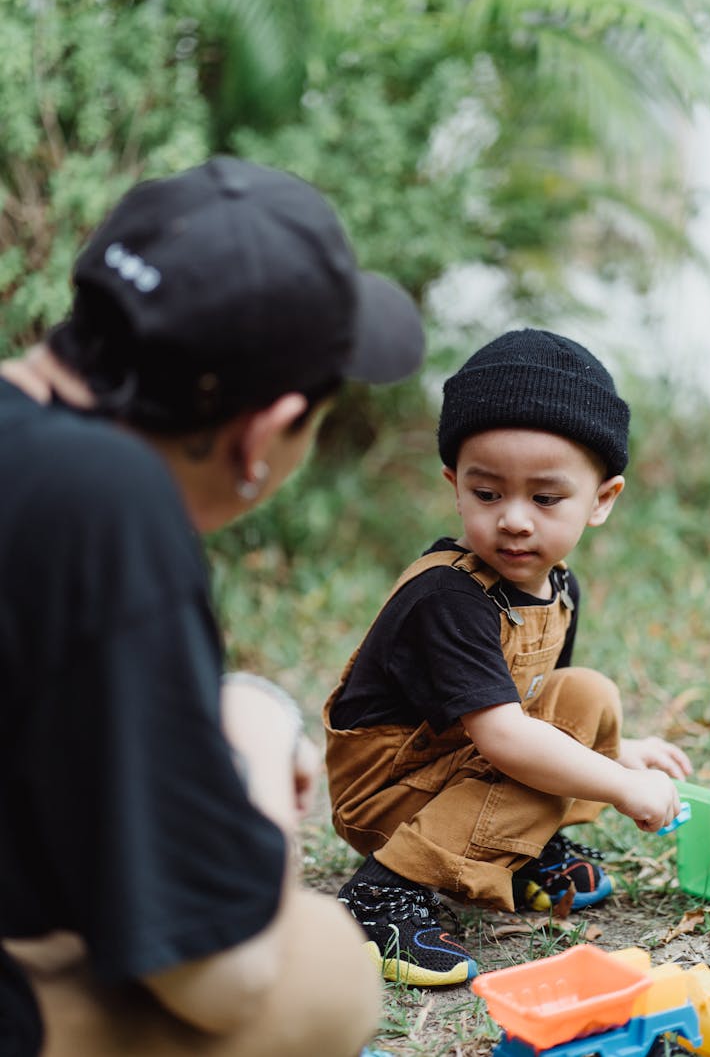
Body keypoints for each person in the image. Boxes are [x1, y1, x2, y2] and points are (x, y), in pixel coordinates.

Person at [0, 155, 424, 1056]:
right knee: (322, 970)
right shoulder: (106, 504)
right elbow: (221, 975)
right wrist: (259, 733)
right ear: (261, 435)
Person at [324, 328, 693, 989]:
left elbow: (541, 705)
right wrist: (617, 782)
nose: (514, 520)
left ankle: (523, 853)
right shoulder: (449, 595)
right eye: (487, 493)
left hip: (451, 765)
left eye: (545, 497)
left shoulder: (558, 587)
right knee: (524, 755)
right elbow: (506, 736)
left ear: (601, 499)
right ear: (454, 483)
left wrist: (619, 748)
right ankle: (379, 895)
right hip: (386, 792)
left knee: (587, 695)